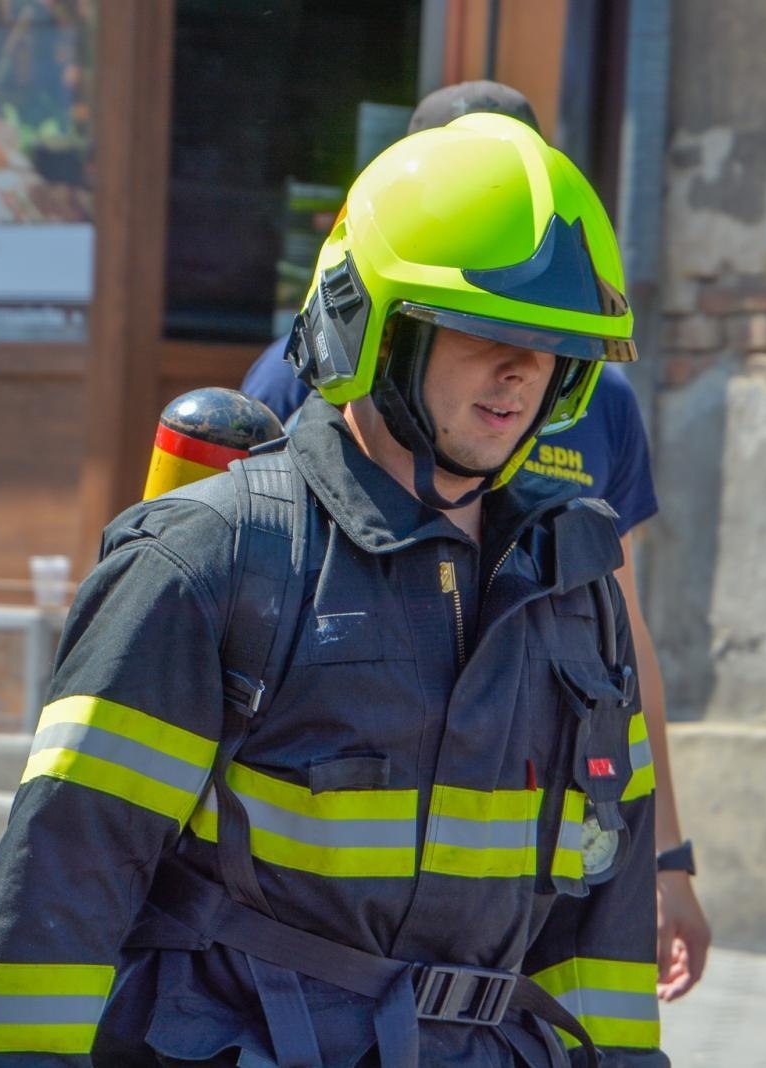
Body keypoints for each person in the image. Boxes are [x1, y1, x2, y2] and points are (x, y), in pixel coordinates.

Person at [0, 114, 670, 1067]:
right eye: (488, 332)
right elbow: (69, 875)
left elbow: (603, 919)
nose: (521, 371)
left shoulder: (573, 580)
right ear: (373, 326)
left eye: (552, 347)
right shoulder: (210, 555)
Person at [242, 80, 708, 1003]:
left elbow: (626, 636)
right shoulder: (321, 350)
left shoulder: (599, 399)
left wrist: (665, 859)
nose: (518, 377)